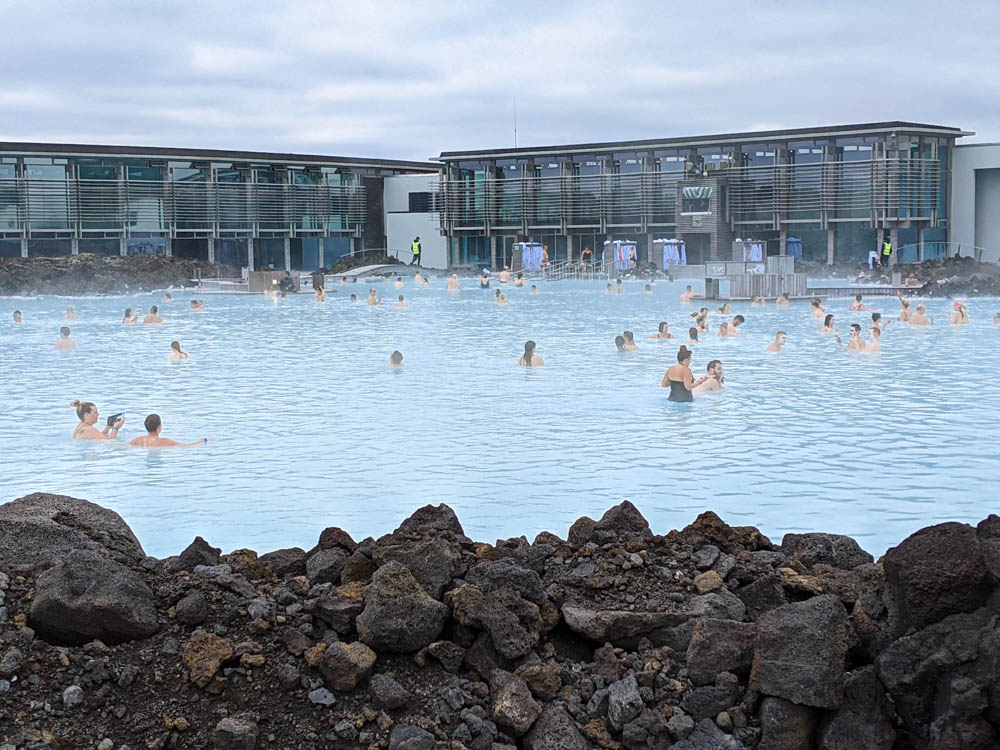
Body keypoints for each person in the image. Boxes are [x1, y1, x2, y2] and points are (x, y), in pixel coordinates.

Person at [129, 414, 207, 448]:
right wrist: (202, 441)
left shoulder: (137, 440)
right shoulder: (165, 441)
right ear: (159, 427)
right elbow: (188, 446)